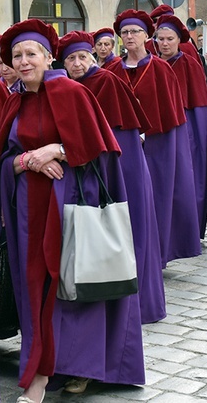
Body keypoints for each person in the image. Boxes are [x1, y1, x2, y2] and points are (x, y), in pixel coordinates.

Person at [0, 19, 145, 402]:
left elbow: (99, 148)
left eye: (32, 54)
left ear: (48, 57)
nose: (24, 61)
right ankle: (42, 366)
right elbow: (2, 159)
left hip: (69, 207)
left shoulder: (70, 92)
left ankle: (72, 367)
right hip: (27, 211)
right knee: (34, 289)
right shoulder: (14, 100)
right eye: (17, 56)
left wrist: (57, 150)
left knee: (69, 287)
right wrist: (29, 159)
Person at [58, 30, 166, 324]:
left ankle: (139, 304)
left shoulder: (105, 81)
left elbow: (120, 136)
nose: (77, 64)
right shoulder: (67, 85)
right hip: (97, 167)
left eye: (82, 57)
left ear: (92, 57)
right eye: (71, 59)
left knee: (129, 229)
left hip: (120, 166)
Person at [105, 9, 200, 266]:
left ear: (147, 35)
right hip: (125, 146)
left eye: (135, 31)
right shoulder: (112, 69)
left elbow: (171, 115)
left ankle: (156, 254)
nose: (129, 37)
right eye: (124, 32)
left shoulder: (160, 69)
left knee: (157, 197)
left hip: (158, 145)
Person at [155, 15, 207, 240]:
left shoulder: (189, 62)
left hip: (188, 125)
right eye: (160, 39)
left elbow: (198, 99)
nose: (165, 43)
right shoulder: (153, 63)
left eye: (169, 38)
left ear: (178, 40)